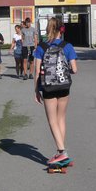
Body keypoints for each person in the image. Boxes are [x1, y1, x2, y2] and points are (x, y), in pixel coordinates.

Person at [33, 16, 78, 166]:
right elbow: (75, 70)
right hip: (64, 86)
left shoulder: (42, 47)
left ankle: (62, 151)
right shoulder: (68, 46)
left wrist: (36, 91)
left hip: (48, 87)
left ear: (48, 29)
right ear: (61, 30)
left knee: (52, 120)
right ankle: (61, 152)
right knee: (61, 119)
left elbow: (37, 71)